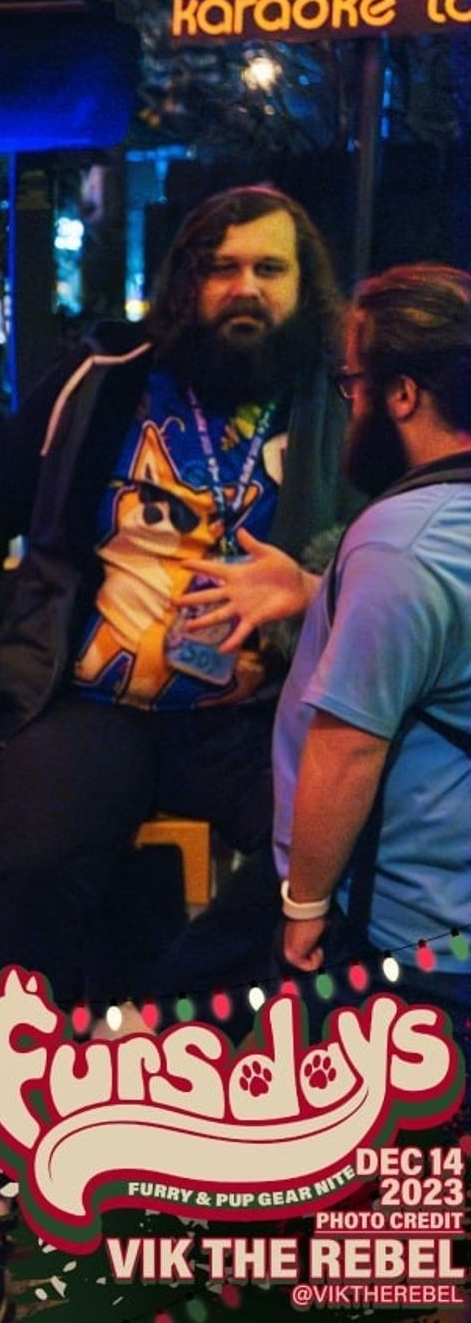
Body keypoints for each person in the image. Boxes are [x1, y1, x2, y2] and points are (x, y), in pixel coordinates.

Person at [0, 185, 351, 1323]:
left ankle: (172, 1056)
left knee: (339, 864)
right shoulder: (104, 385)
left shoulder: (337, 404)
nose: (244, 288)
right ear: (184, 282)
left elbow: (389, 564)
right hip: (87, 700)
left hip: (250, 712)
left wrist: (304, 610)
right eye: (222, 266)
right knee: (28, 874)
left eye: (268, 269)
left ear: (299, 288)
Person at [272, 263, 471, 1128]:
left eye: (353, 382)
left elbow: (348, 746)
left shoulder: (404, 544)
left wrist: (303, 913)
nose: (348, 401)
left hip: (406, 932)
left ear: (400, 394)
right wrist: (314, 593)